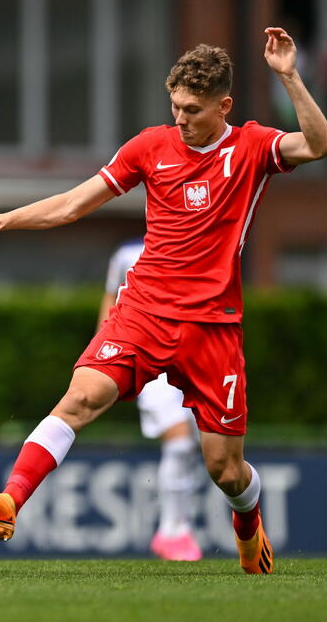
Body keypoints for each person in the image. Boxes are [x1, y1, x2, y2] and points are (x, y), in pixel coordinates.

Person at [0, 28, 327, 574]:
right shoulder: (149, 146)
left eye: (193, 110)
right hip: (144, 310)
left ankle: (248, 528)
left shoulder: (251, 147)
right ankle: (11, 501)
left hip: (212, 327)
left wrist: (289, 76)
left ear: (224, 105)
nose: (180, 119)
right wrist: (0, 220)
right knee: (80, 397)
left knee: (225, 470)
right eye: (174, 106)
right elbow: (72, 205)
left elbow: (320, 145)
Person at [100, 239, 201, 561]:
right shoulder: (127, 255)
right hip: (145, 355)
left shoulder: (194, 247)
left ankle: (174, 529)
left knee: (200, 449)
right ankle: (174, 531)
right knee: (180, 439)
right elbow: (109, 305)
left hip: (189, 356)